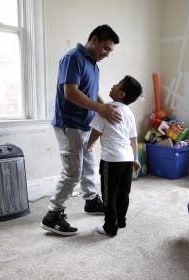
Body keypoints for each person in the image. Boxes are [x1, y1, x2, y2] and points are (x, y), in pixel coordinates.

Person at [41, 25, 121, 236]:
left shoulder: (93, 65)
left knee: (88, 164)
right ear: (94, 40)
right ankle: (53, 214)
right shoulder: (73, 57)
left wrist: (107, 109)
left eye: (110, 51)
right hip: (69, 123)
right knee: (72, 171)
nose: (106, 54)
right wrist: (100, 109)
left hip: (85, 124)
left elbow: (92, 93)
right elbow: (70, 92)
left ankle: (91, 200)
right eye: (105, 48)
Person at [87, 75, 143, 237]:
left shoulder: (106, 109)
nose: (113, 85)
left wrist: (89, 143)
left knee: (109, 194)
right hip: (126, 159)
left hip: (111, 160)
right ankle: (121, 220)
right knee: (123, 192)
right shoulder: (129, 113)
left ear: (121, 94)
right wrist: (135, 159)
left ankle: (110, 227)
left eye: (117, 84)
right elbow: (133, 139)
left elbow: (96, 131)